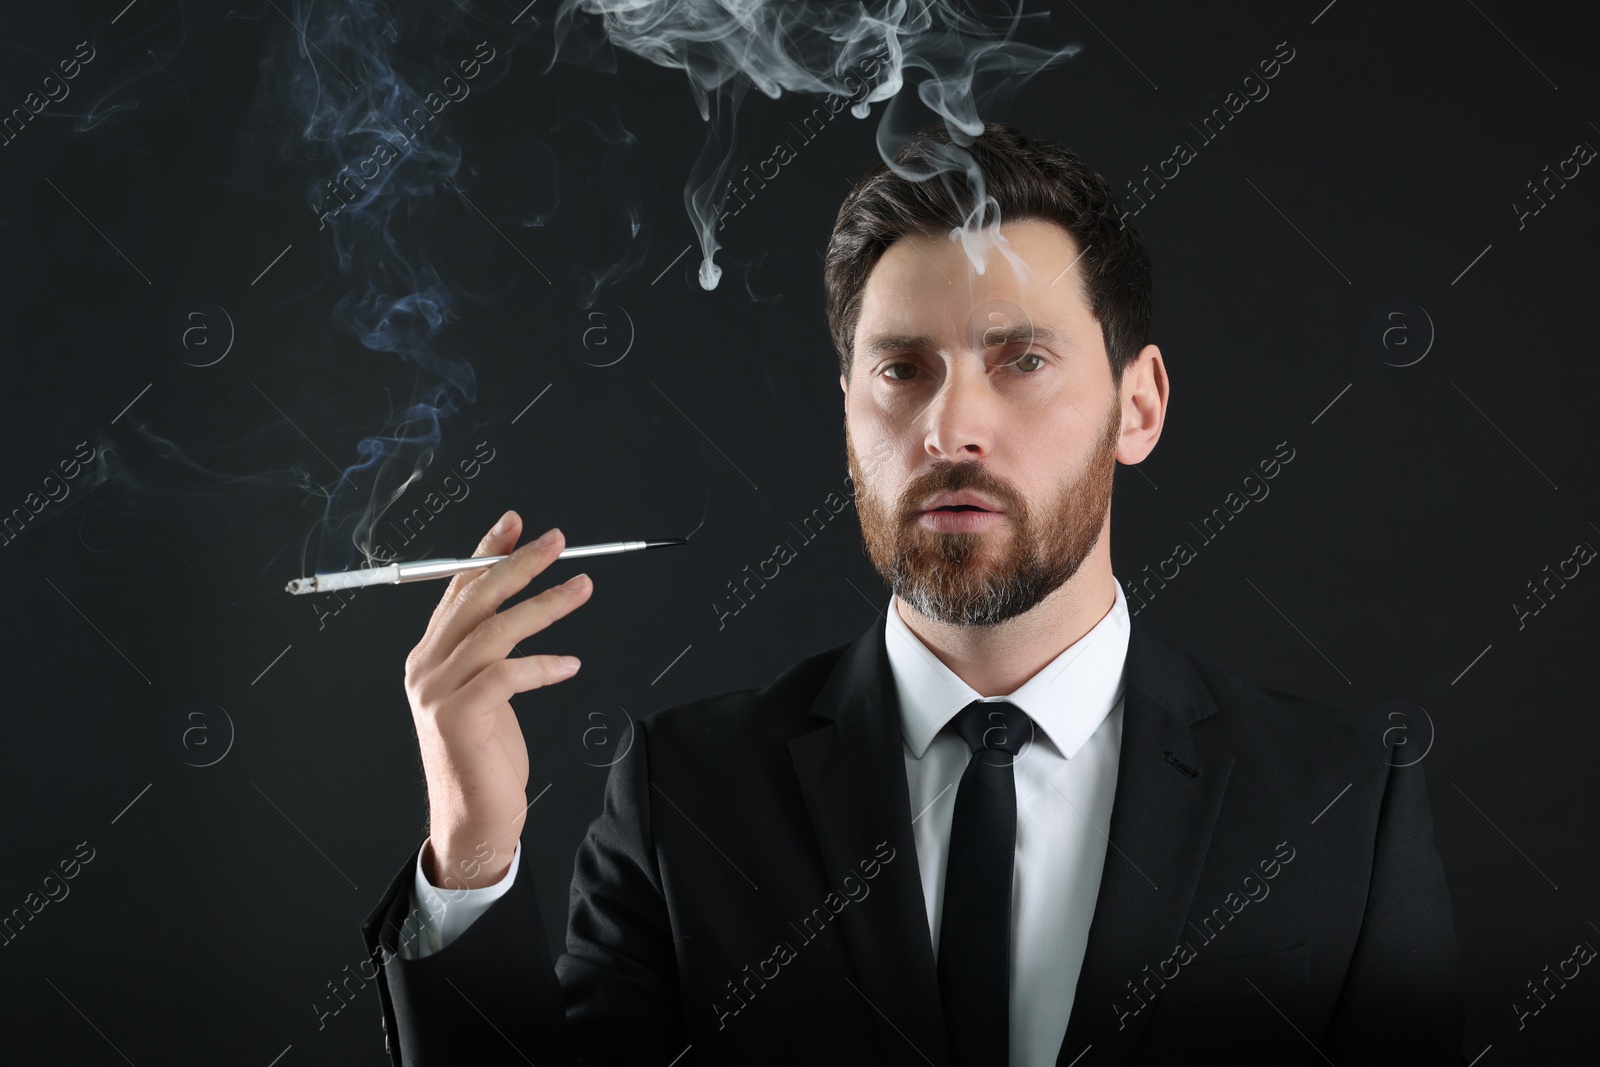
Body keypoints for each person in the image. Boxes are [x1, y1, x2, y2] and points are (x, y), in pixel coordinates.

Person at [359, 120, 1465, 1065]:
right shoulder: (684, 797)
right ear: (849, 410)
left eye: (1020, 359)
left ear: (1138, 405)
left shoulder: (1336, 802)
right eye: (902, 368)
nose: (949, 428)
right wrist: (471, 853)